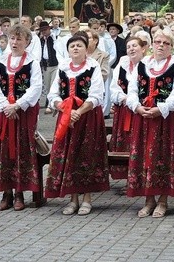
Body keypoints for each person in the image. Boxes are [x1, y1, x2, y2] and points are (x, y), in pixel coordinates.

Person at [0, 25, 43, 211]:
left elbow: (35, 87)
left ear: (27, 42)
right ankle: (6, 192)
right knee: (2, 149)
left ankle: (20, 193)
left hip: (23, 114)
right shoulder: (0, 61)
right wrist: (4, 106)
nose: (15, 43)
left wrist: (18, 105)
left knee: (22, 150)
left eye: (19, 39)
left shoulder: (32, 63)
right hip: (3, 113)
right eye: (12, 39)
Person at [126, 30, 174, 218]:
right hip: (143, 118)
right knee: (145, 157)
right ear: (151, 44)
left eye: (165, 43)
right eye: (157, 42)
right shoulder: (142, 65)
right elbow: (132, 90)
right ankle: (148, 199)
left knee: (163, 157)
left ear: (172, 47)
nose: (160, 45)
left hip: (166, 121)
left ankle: (162, 201)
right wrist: (136, 106)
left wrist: (160, 109)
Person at [45, 34, 109, 216]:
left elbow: (97, 94)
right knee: (69, 156)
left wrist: (78, 112)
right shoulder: (63, 68)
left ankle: (87, 199)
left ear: (86, 48)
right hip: (66, 118)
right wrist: (64, 109)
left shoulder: (93, 66)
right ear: (68, 49)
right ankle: (72, 199)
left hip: (88, 118)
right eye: (72, 45)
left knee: (86, 155)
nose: (75, 48)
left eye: (79, 45)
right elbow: (53, 94)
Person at [109, 37, 148, 180]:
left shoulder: (147, 64)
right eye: (128, 47)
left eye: (134, 46)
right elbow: (114, 87)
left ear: (143, 48)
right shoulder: (123, 64)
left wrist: (135, 103)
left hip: (140, 111)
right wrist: (124, 99)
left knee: (139, 143)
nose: (131, 49)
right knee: (124, 143)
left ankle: (141, 176)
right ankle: (128, 178)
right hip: (124, 110)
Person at [38, 21, 58, 114]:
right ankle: (50, 101)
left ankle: (50, 104)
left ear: (49, 29)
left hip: (55, 64)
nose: (44, 32)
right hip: (45, 65)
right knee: (47, 85)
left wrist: (54, 39)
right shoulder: (41, 40)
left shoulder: (54, 38)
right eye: (42, 30)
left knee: (53, 83)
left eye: (45, 30)